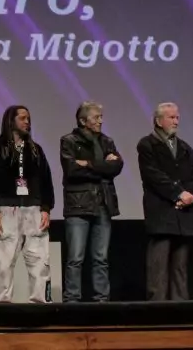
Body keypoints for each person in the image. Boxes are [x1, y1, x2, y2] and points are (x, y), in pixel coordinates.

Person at [0, 105, 55, 303]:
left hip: (34, 210)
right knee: (3, 262)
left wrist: (46, 208)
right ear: (11, 121)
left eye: (28, 118)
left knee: (40, 261)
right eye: (22, 118)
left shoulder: (36, 150)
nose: (27, 122)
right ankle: (1, 305)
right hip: (6, 210)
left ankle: (41, 305)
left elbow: (46, 180)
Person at [58, 101, 123, 303]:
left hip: (103, 203)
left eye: (101, 117)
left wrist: (87, 163)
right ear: (83, 120)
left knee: (101, 258)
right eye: (96, 117)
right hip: (78, 205)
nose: (100, 121)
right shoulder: (69, 141)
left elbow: (117, 167)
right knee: (75, 258)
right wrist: (103, 165)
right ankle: (72, 299)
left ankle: (101, 299)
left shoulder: (107, 141)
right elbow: (71, 170)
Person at [137, 102, 193, 301]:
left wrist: (190, 195)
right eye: (171, 117)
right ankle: (157, 309)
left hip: (183, 215)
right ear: (158, 121)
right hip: (161, 212)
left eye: (177, 117)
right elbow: (153, 175)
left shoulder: (184, 147)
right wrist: (178, 193)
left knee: (180, 267)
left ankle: (180, 307)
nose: (176, 121)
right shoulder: (147, 144)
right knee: (158, 266)